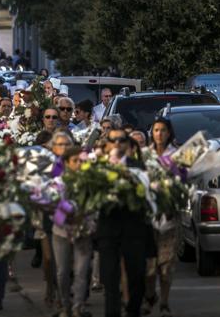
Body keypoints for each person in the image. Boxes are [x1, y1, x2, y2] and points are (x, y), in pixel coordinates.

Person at [97, 128, 148, 317]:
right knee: (110, 280)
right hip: (108, 232)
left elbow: (148, 196)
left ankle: (133, 310)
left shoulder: (138, 166)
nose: (117, 143)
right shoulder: (97, 167)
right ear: (107, 144)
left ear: (127, 144)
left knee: (137, 277)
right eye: (113, 140)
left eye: (121, 140)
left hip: (134, 230)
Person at [54, 146, 95, 317]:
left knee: (81, 270)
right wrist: (66, 213)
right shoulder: (58, 182)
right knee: (63, 271)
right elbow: (53, 206)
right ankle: (65, 305)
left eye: (81, 161)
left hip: (83, 231)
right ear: (66, 163)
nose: (78, 164)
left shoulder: (91, 182)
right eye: (74, 161)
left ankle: (78, 307)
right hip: (61, 232)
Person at [143, 118, 178, 317]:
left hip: (169, 218)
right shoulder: (145, 155)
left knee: (166, 266)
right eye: (156, 130)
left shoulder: (176, 155)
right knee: (149, 266)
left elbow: (185, 178)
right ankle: (150, 297)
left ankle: (164, 302)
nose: (159, 134)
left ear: (169, 132)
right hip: (149, 219)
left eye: (163, 130)